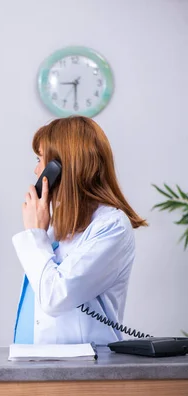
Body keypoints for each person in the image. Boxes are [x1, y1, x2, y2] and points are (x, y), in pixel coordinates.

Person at [12, 116, 147, 345]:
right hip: (38, 362)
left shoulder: (111, 226)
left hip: (83, 369)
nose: (36, 170)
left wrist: (35, 235)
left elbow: (55, 298)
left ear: (60, 169)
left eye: (40, 159)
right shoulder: (59, 227)